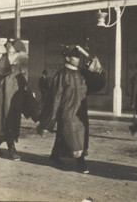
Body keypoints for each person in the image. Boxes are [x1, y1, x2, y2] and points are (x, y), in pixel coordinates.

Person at [37, 45, 105, 174]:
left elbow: (97, 85)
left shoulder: (82, 73)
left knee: (67, 134)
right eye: (75, 57)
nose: (78, 59)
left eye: (78, 57)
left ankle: (55, 155)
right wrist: (51, 117)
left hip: (80, 110)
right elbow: (55, 97)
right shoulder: (61, 75)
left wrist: (97, 70)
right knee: (74, 134)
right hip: (67, 111)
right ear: (67, 58)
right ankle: (81, 162)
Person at [0, 39, 32, 161]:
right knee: (7, 122)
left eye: (18, 53)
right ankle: (11, 149)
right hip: (5, 99)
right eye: (15, 52)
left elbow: (23, 82)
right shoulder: (2, 63)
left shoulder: (18, 66)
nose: (17, 55)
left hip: (15, 99)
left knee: (11, 123)